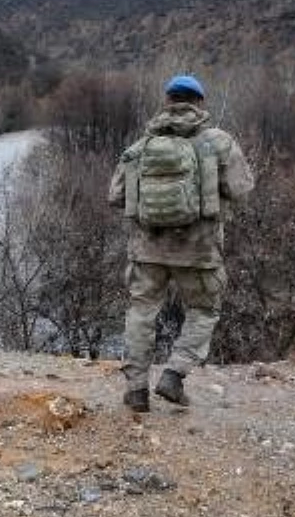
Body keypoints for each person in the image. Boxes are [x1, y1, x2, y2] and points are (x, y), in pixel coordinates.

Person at [109, 75, 254, 412]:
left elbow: (116, 195)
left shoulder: (141, 145)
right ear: (199, 103)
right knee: (204, 310)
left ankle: (135, 391)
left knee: (141, 312)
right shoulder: (219, 142)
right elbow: (242, 189)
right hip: (200, 251)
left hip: (147, 249)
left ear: (168, 101)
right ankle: (174, 374)